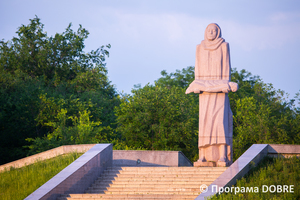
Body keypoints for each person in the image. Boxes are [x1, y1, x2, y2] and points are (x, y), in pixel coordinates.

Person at [186, 23, 237, 165]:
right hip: (204, 92)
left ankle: (222, 155)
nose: (211, 32)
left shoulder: (223, 46)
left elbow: (226, 67)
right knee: (205, 123)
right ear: (205, 31)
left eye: (214, 30)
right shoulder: (199, 47)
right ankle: (202, 155)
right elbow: (197, 69)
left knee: (220, 122)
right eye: (209, 30)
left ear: (218, 32)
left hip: (220, 91)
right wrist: (197, 84)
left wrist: (226, 84)